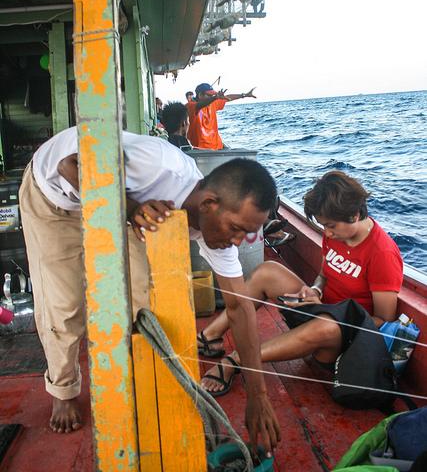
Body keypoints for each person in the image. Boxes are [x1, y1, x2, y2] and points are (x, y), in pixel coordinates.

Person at [18, 127, 281, 455]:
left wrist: (258, 397)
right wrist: (130, 210)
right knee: (65, 301)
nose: (238, 241)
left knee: (144, 301)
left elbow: (239, 308)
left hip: (123, 202)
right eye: (237, 229)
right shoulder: (159, 165)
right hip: (55, 196)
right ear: (209, 203)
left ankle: (141, 377)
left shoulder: (220, 228)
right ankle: (63, 389)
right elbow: (70, 167)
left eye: (247, 233)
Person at [200, 170, 403, 396]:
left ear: (354, 215)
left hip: (343, 336)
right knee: (268, 271)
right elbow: (324, 274)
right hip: (321, 309)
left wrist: (334, 319)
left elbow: (384, 319)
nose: (326, 232)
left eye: (331, 226)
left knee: (327, 325)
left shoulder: (382, 252)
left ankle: (236, 361)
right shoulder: (335, 234)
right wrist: (314, 289)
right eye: (323, 225)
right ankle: (209, 336)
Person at [186, 83, 256, 150]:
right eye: (209, 95)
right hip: (200, 149)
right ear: (200, 95)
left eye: (213, 95)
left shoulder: (213, 103)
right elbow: (199, 106)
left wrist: (244, 95)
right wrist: (215, 98)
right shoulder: (190, 106)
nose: (212, 97)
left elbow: (228, 97)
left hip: (217, 146)